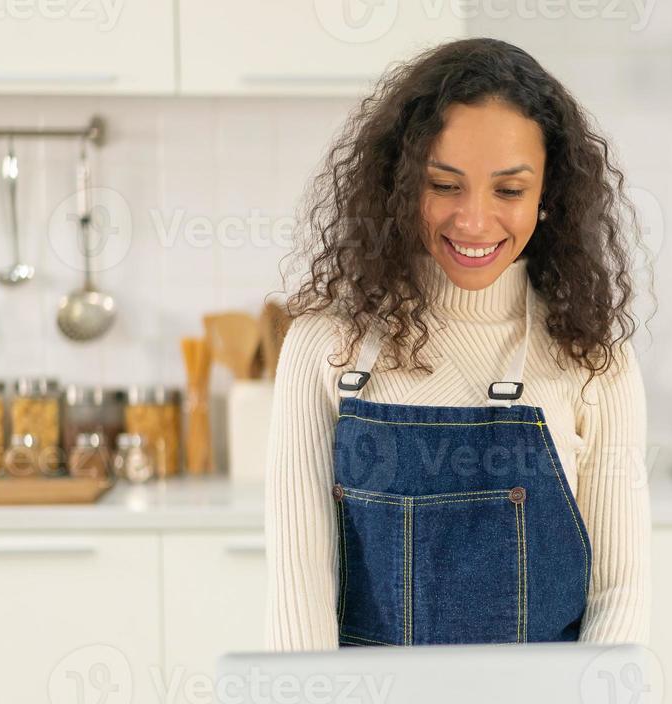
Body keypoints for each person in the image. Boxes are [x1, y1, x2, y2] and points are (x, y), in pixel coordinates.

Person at [264, 38, 649, 651]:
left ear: (548, 194)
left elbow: (618, 594)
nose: (473, 221)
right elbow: (298, 597)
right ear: (400, 184)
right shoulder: (326, 346)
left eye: (509, 190)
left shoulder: (591, 358)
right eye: (444, 185)